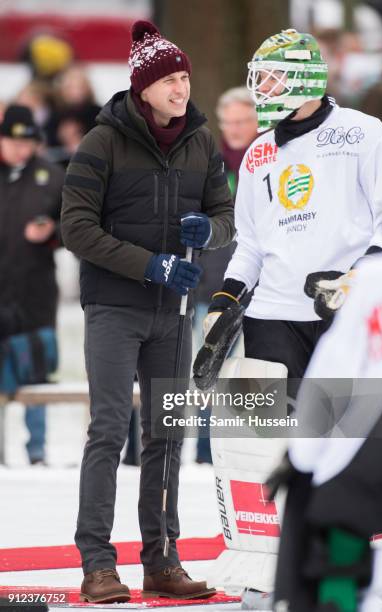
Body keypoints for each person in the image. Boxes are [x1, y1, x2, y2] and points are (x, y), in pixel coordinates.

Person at [203, 28, 382, 610]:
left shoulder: (363, 132)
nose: (260, 88)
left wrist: (352, 279)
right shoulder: (260, 149)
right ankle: (267, 571)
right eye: (257, 76)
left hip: (343, 315)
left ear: (306, 76)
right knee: (263, 447)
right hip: (272, 315)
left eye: (270, 76)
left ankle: (361, 562)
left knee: (353, 443)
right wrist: (226, 304)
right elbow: (250, 246)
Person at [61, 20, 234, 604]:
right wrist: (149, 265)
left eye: (185, 78)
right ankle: (98, 564)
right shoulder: (101, 143)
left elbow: (229, 215)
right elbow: (76, 228)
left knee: (168, 435)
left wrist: (210, 230)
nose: (182, 89)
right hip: (115, 308)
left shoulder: (201, 141)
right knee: (109, 432)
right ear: (144, 87)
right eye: (171, 80)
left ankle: (162, 559)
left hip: (174, 314)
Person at [269, 170, 382, 611]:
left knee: (337, 530)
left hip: (380, 432)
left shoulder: (379, 279)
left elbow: (333, 372)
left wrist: (302, 456)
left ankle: (337, 593)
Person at [194, 86, 258, 464]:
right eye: (228, 122)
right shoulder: (209, 164)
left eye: (241, 121)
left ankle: (250, 449)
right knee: (208, 367)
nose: (234, 129)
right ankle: (205, 451)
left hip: (262, 290)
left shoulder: (270, 159)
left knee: (253, 371)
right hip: (214, 285)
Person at [0, 104, 64, 464]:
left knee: (36, 369)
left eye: (27, 144)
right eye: (13, 143)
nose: (20, 150)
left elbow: (75, 227)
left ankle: (36, 450)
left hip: (35, 292)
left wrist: (51, 233)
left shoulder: (52, 176)